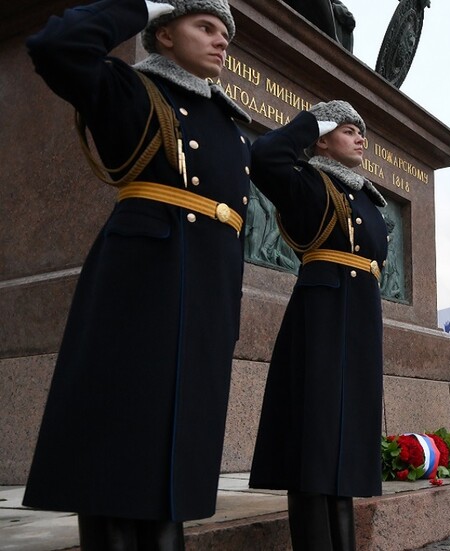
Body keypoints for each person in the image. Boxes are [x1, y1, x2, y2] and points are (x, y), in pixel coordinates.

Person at [22, 0, 251, 548]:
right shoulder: (132, 90)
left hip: (207, 299)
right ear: (164, 34)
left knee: (175, 471)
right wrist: (142, 5)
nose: (221, 40)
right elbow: (56, 46)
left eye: (225, 31)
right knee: (116, 455)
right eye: (205, 26)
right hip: (142, 289)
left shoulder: (229, 124)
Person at [248, 100, 388, 550]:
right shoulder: (308, 182)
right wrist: (313, 122)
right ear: (322, 140)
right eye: (348, 130)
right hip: (321, 319)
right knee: (314, 445)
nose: (360, 138)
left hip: (359, 321)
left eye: (361, 132)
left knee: (342, 447)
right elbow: (265, 156)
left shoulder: (366, 197)